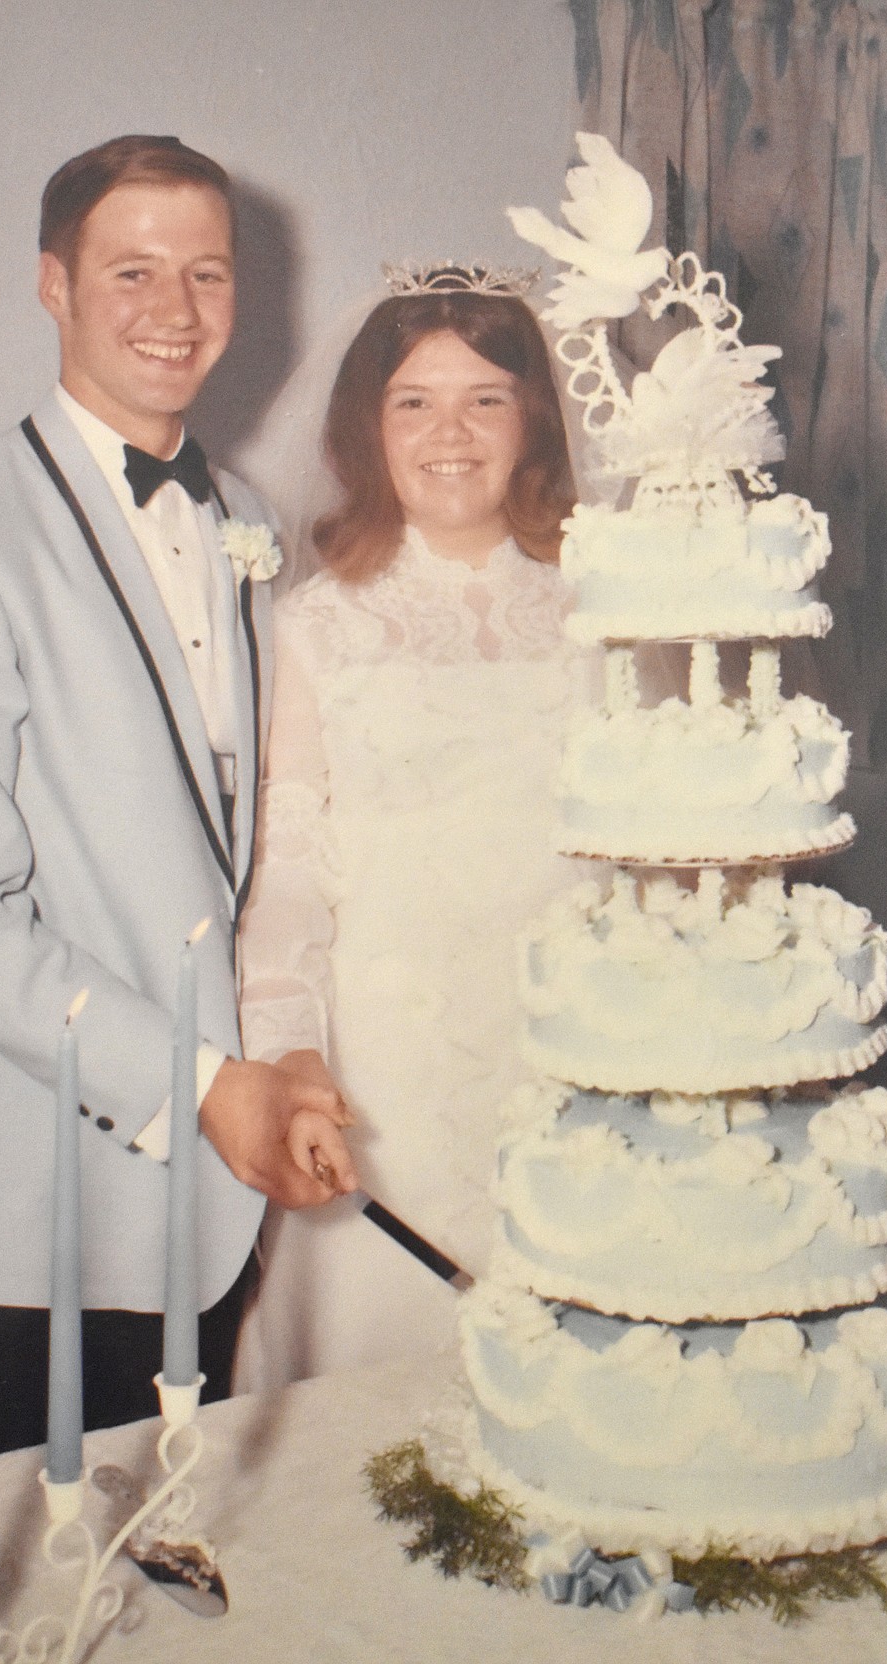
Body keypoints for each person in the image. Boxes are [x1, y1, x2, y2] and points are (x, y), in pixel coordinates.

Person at [0, 134, 356, 1463]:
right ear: (52, 284)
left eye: (207, 274)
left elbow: (233, 852)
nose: (175, 313)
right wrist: (199, 1084)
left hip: (209, 1219)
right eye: (132, 271)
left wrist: (274, 1057)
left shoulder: (246, 516)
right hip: (27, 1218)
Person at [235, 268, 595, 1387]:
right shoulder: (318, 622)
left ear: (533, 416)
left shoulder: (608, 599)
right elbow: (289, 860)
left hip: (576, 1039)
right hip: (397, 1062)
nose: (451, 432)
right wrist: (291, 1050)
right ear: (366, 426)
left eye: (486, 397)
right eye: (413, 401)